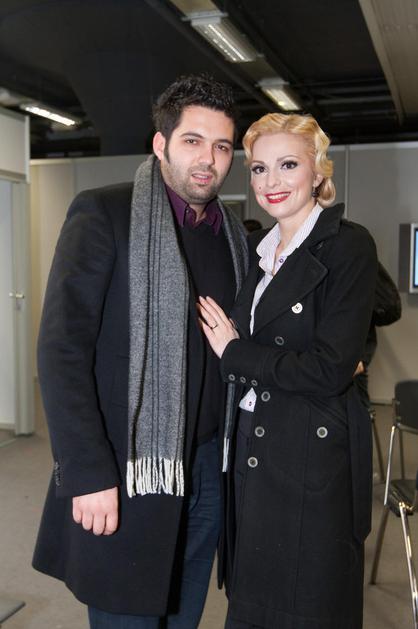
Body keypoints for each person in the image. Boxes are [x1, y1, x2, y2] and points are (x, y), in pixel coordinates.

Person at [32, 74, 248, 629]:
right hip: (128, 468)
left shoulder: (234, 238)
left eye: (222, 146)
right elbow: (61, 351)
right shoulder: (104, 214)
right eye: (193, 141)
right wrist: (85, 471)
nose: (208, 159)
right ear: (161, 143)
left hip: (207, 471)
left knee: (185, 616)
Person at [198, 112, 378, 629]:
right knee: (253, 602)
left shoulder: (347, 245)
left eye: (288, 165)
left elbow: (328, 369)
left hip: (311, 453)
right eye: (258, 169)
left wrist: (235, 354)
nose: (270, 181)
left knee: (307, 606)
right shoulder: (257, 251)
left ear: (318, 171)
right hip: (253, 443)